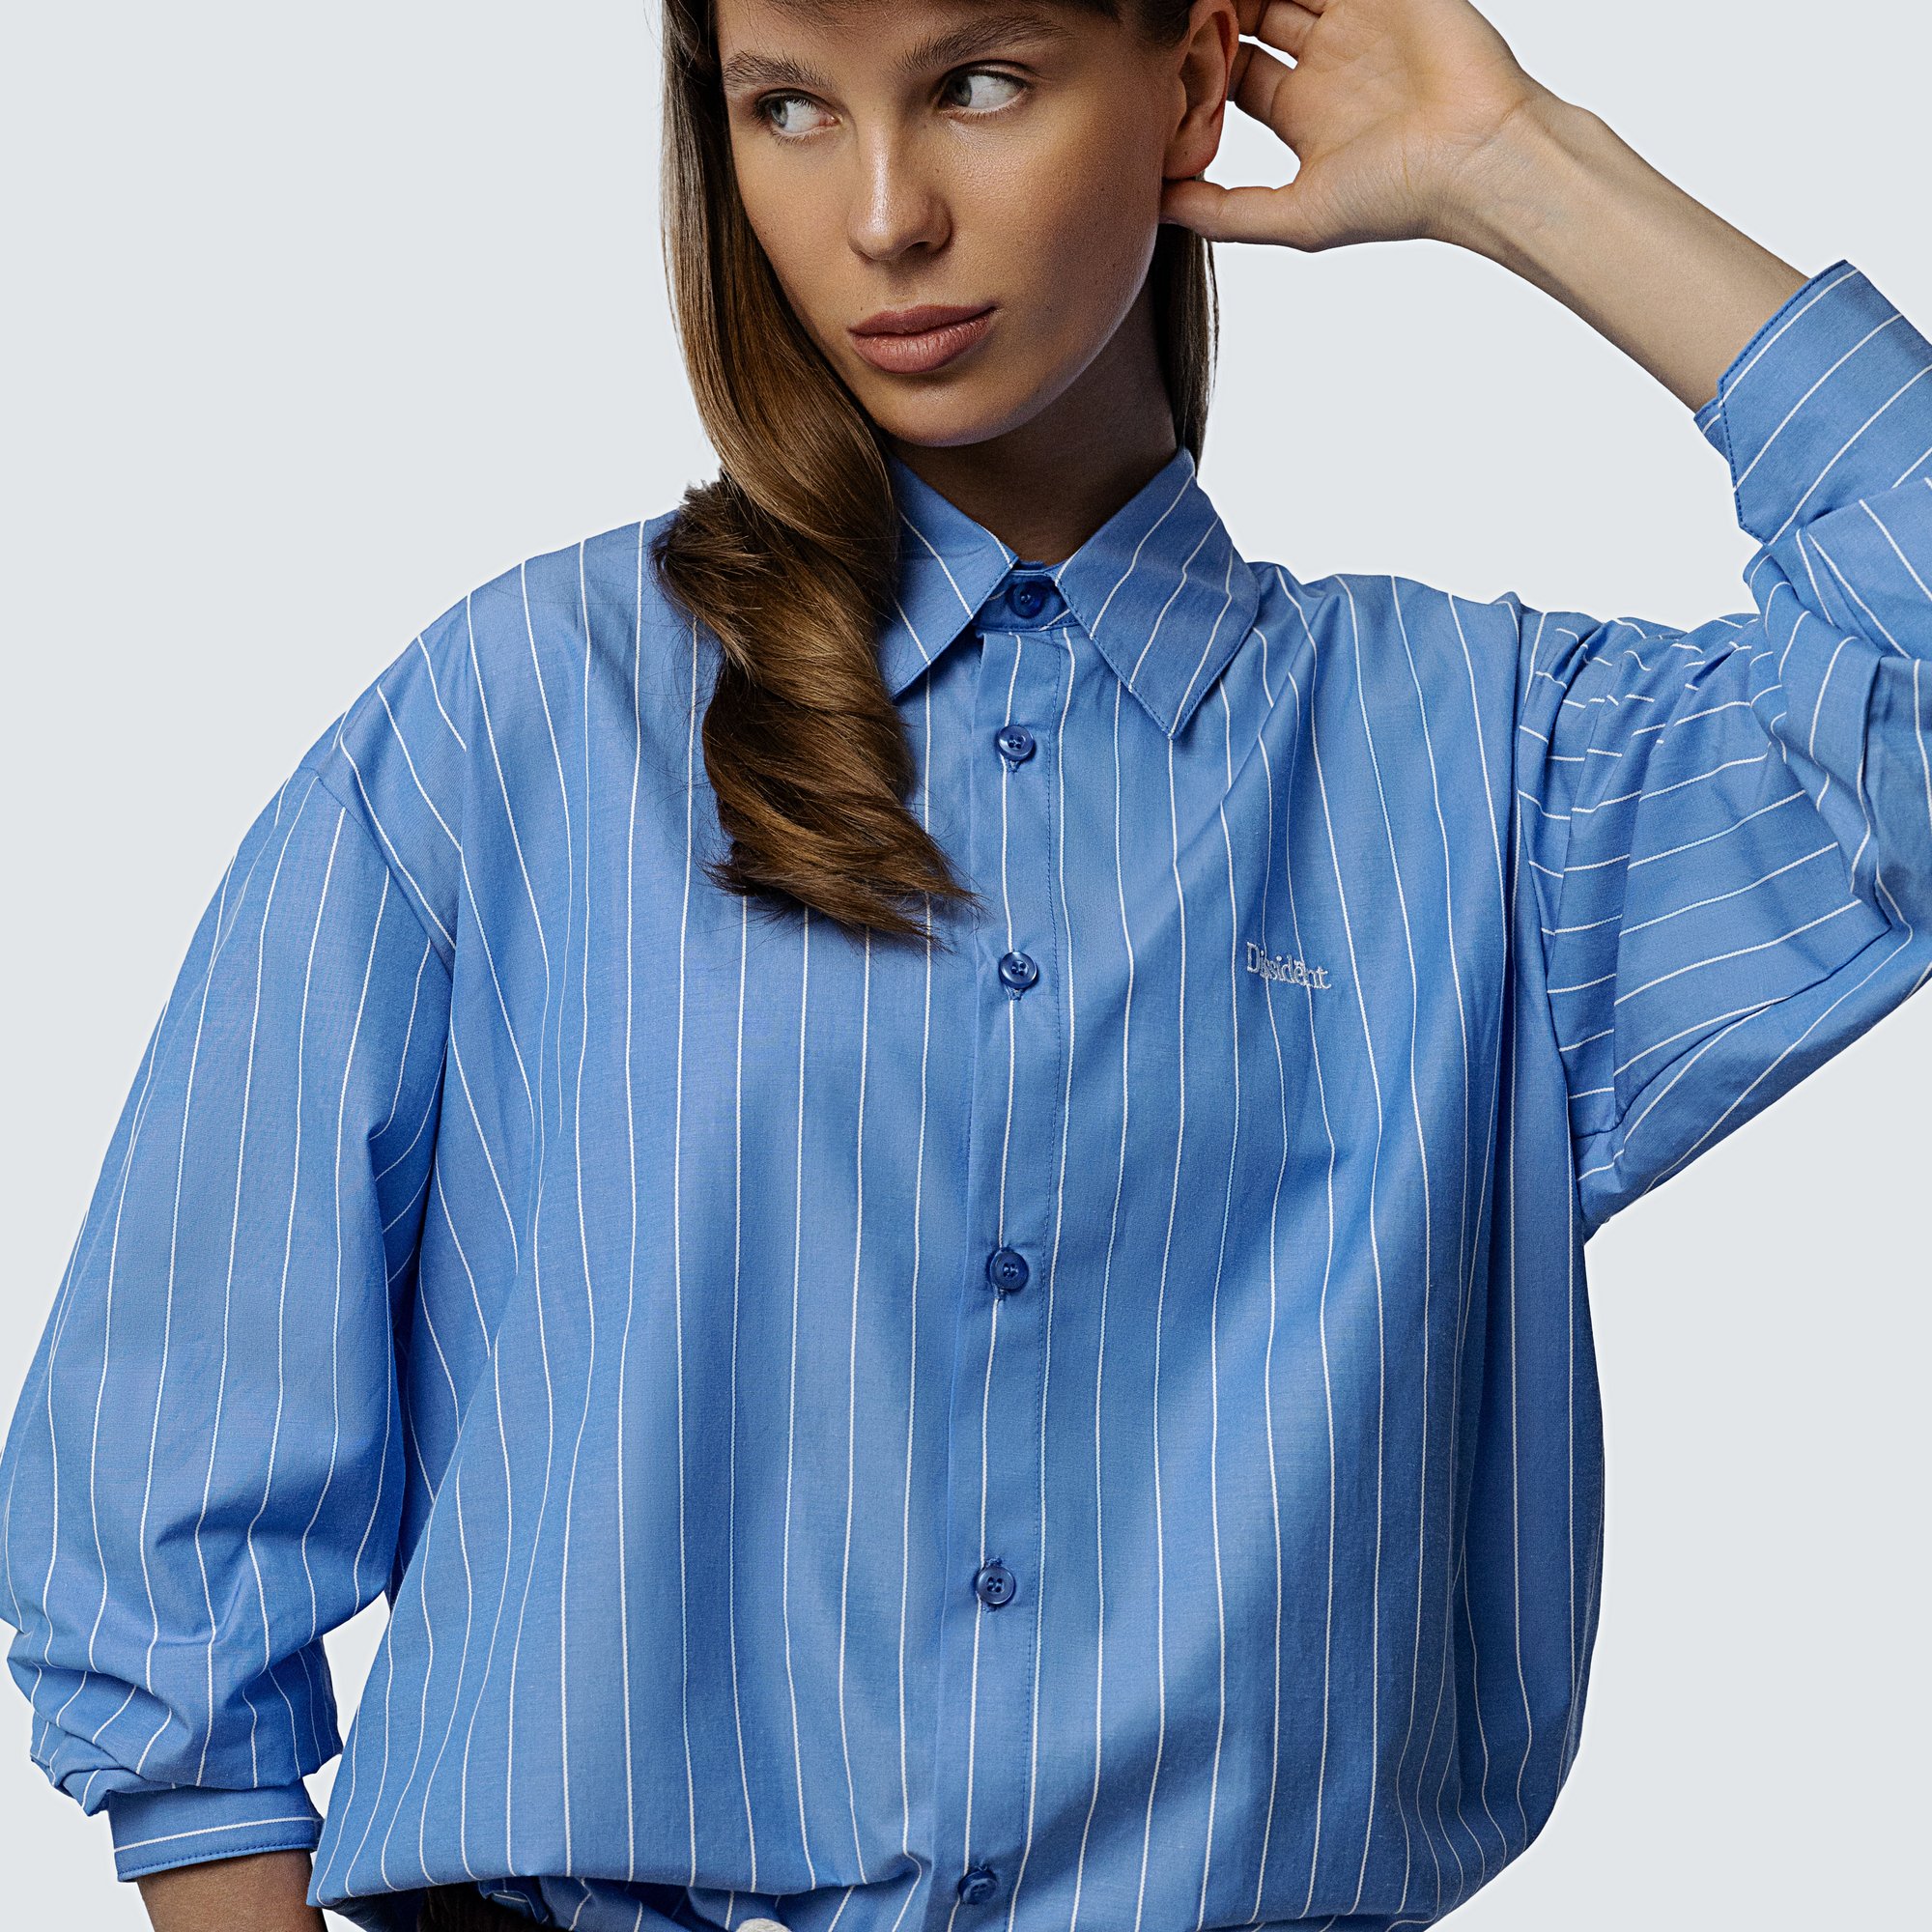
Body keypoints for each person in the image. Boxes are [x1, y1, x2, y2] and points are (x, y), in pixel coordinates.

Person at [2, 0, 1926, 1926]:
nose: (884, 217)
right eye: (786, 108)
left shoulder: (1486, 773)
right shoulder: (522, 722)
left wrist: (1520, 169)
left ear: (1189, 85)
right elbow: (168, 1478)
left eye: (978, 86)